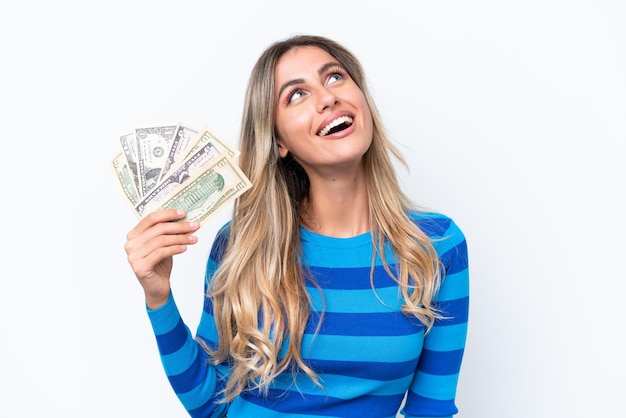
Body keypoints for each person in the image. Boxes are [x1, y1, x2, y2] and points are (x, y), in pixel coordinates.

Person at [124, 34, 469, 418]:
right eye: (296, 95)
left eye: (335, 77)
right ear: (279, 141)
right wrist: (158, 297)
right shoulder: (241, 245)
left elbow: (432, 408)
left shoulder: (437, 245)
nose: (327, 98)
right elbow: (210, 406)